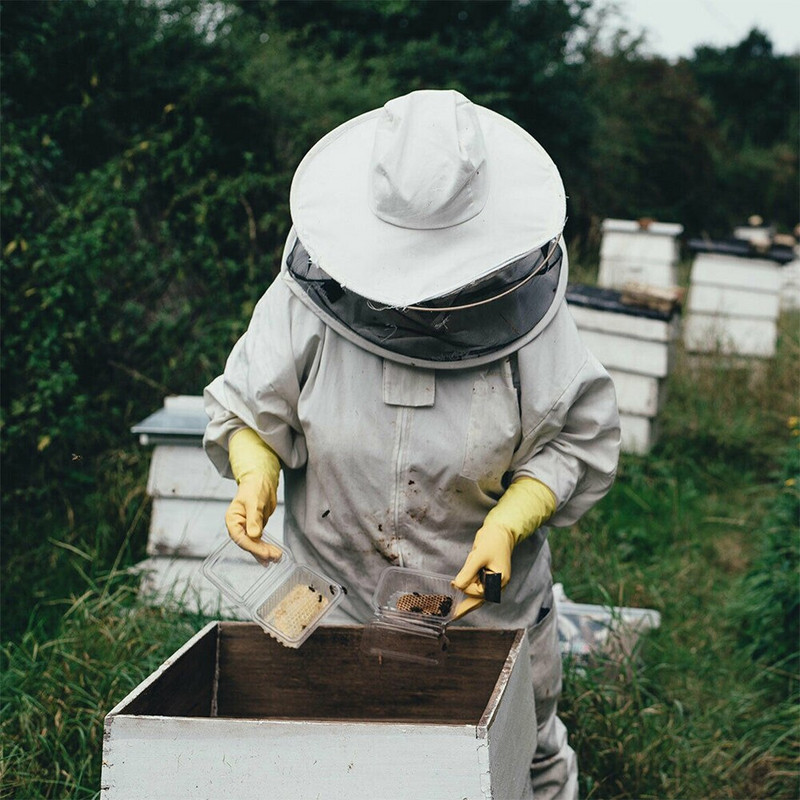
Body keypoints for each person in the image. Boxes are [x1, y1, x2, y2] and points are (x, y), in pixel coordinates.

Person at [203, 88, 620, 800]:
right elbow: (251, 406)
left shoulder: (534, 325)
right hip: (328, 598)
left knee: (521, 757)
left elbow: (572, 443)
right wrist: (254, 472)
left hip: (480, 606)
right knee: (342, 766)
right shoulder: (303, 302)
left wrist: (508, 522)